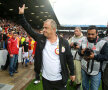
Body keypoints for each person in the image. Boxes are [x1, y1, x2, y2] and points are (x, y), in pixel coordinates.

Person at [19, 4, 75, 90]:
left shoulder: (64, 42)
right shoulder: (40, 39)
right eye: (43, 27)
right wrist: (21, 15)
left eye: (46, 28)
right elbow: (28, 28)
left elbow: (69, 58)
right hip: (46, 80)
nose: (43, 30)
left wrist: (72, 73)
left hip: (60, 80)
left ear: (53, 29)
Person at [78, 25, 108, 90]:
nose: (90, 36)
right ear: (86, 33)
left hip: (96, 70)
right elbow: (79, 52)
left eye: (92, 34)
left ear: (97, 34)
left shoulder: (103, 43)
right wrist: (81, 52)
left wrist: (95, 56)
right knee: (84, 86)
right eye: (89, 34)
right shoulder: (83, 41)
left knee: (94, 88)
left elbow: (106, 57)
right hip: (84, 68)